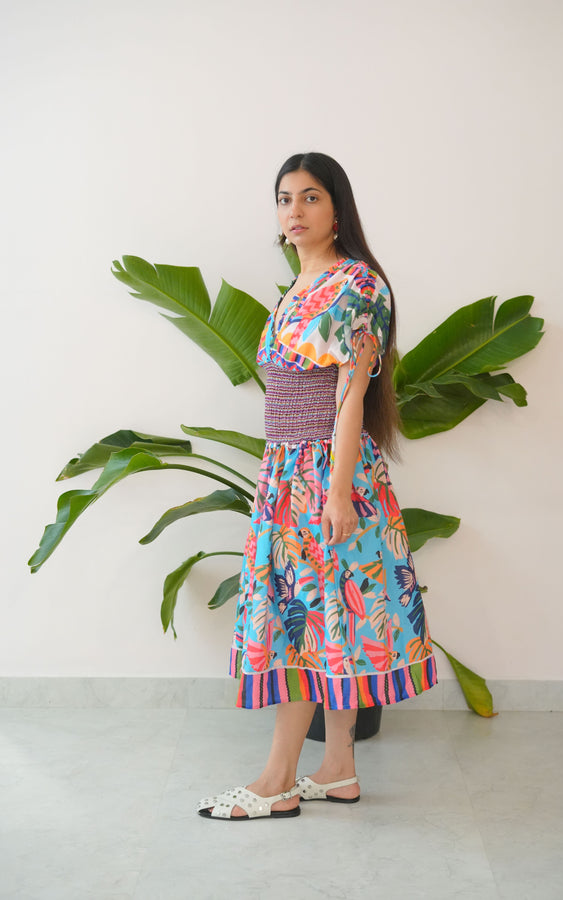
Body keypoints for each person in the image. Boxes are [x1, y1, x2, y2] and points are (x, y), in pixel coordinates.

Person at [197, 152, 437, 821]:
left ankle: (277, 778)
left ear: (337, 210)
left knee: (300, 622)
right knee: (325, 617)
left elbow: (350, 396)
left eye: (309, 198)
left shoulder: (356, 285)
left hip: (324, 472)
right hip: (286, 469)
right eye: (283, 199)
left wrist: (335, 492)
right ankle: (337, 769)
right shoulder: (301, 286)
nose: (293, 212)